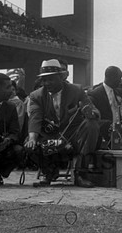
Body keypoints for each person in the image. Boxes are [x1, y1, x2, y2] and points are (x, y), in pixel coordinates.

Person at [25, 59, 100, 188]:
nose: (47, 83)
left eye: (51, 79)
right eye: (44, 80)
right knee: (29, 143)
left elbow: (93, 110)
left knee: (91, 125)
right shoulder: (36, 96)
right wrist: (32, 138)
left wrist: (90, 113)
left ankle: (81, 174)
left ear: (61, 77)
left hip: (73, 137)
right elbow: (35, 118)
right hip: (49, 137)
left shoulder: (77, 90)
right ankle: (47, 172)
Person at [88, 66, 122, 146]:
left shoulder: (119, 93)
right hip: (105, 132)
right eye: (119, 78)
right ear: (112, 77)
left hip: (119, 130)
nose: (120, 81)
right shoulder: (95, 94)